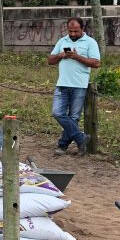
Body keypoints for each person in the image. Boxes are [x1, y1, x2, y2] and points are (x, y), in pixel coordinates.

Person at [47, 17, 101, 156]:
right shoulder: (62, 41)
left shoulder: (90, 42)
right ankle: (81, 138)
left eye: (75, 31)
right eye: (70, 31)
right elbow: (50, 60)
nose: (72, 34)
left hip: (79, 85)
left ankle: (62, 146)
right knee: (57, 112)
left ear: (83, 29)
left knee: (74, 117)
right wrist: (61, 55)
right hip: (62, 84)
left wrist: (77, 57)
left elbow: (96, 63)